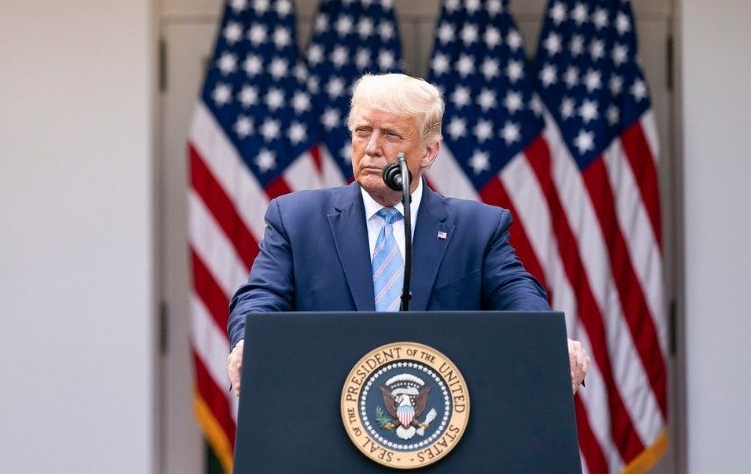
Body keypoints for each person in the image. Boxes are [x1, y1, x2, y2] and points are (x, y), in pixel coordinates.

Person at [226, 73, 588, 395]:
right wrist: (248, 342)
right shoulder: (297, 219)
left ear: (429, 152)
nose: (371, 148)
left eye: (391, 135)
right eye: (363, 132)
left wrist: (549, 341)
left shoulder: (477, 229)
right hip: (327, 420)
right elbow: (260, 296)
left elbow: (519, 297)